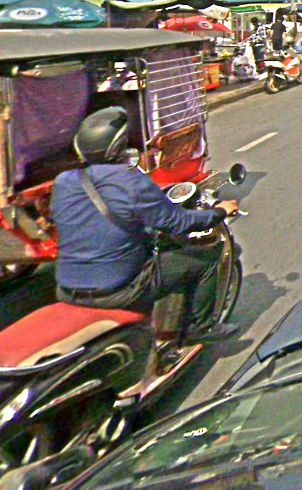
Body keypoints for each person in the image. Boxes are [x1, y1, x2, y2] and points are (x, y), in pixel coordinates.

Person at [50, 106, 239, 342]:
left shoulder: (63, 182)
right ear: (119, 147)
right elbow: (179, 222)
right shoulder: (132, 183)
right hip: (117, 290)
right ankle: (200, 327)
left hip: (66, 288)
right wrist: (219, 211)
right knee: (206, 259)